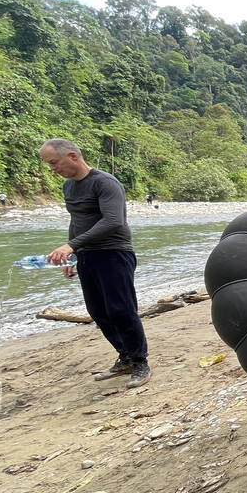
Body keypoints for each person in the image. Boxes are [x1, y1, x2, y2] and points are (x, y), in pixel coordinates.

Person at [39, 138, 151, 389]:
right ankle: (125, 357)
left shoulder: (105, 183)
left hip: (114, 253)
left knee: (121, 309)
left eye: (54, 163)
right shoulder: (69, 187)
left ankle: (140, 361)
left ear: (72, 156)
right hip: (86, 255)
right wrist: (72, 254)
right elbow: (76, 221)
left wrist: (71, 246)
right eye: (49, 164)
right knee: (98, 311)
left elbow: (113, 221)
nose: (52, 169)